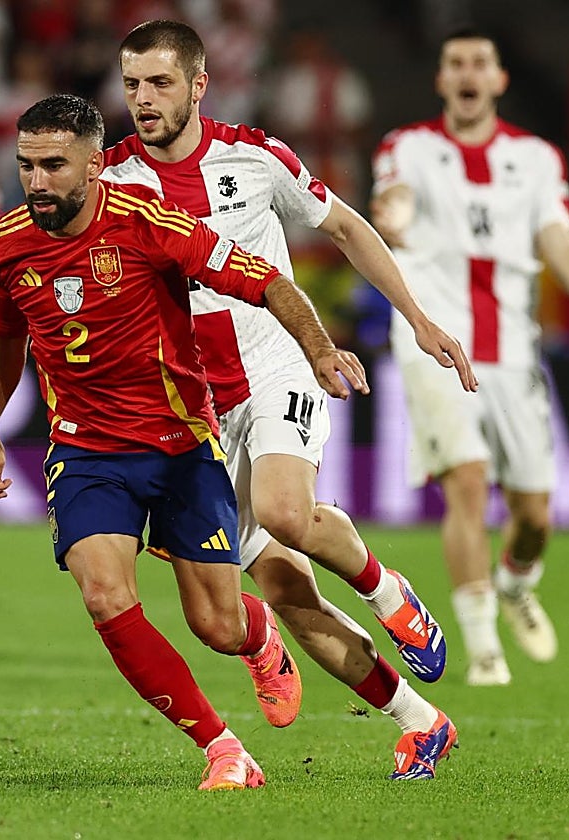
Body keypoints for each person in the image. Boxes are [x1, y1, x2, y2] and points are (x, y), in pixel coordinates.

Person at [103, 20, 472, 779]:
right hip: (193, 412)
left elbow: (343, 226)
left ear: (198, 86)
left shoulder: (255, 156)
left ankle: (383, 585)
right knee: (270, 595)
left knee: (283, 512)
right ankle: (420, 722)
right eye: (132, 83)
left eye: (160, 83)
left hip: (278, 365)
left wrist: (419, 318)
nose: (143, 99)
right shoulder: (109, 184)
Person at [0, 94, 362, 791]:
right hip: (86, 451)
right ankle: (223, 749)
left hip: (181, 445)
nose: (36, 181)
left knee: (214, 622)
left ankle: (258, 634)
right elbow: (3, 336)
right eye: (26, 165)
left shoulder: (148, 225)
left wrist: (320, 350)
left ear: (95, 166)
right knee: (104, 597)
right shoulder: (2, 246)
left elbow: (266, 280)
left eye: (54, 165)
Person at [371, 28, 569, 686]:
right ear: (441, 80)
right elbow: (393, 202)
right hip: (436, 342)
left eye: (479, 63)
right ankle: (483, 653)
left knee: (534, 515)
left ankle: (515, 584)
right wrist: (390, 218)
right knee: (466, 484)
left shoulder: (535, 159)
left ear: (499, 81)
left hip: (512, 350)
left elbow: (559, 240)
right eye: (455, 64)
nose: (467, 74)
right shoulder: (408, 148)